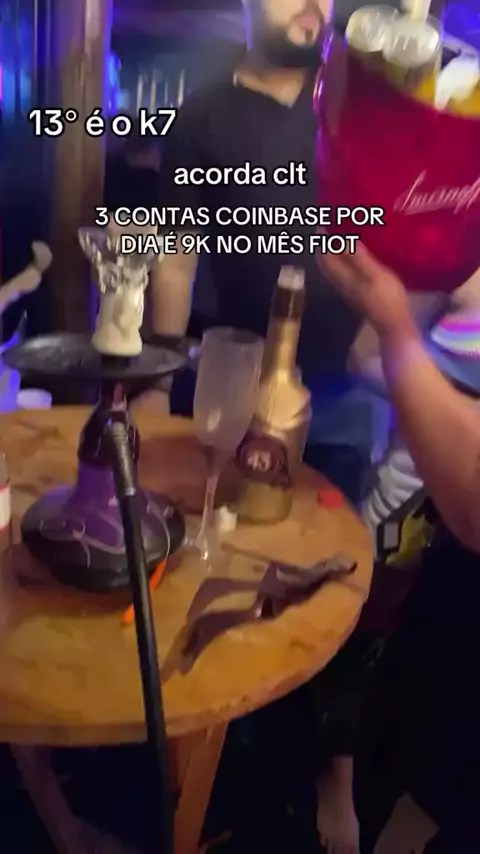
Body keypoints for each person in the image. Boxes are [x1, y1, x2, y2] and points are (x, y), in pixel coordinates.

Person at [149, 1, 378, 850]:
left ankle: (335, 782)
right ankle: (214, 754)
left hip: (344, 394)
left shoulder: (361, 103)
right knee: (219, 572)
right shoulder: (203, 116)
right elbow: (176, 253)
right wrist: (156, 381)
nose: (313, 4)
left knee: (336, 587)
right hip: (240, 386)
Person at [322, 243, 480, 852]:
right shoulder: (453, 246)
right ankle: (338, 783)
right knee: (366, 629)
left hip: (453, 527)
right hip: (410, 501)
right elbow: (364, 358)